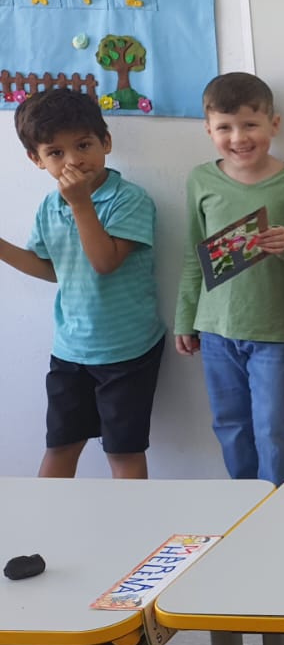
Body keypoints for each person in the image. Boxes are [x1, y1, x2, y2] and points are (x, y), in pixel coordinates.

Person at [1, 89, 163, 479]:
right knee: (60, 446)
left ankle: (134, 520)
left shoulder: (130, 200)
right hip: (70, 349)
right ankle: (44, 520)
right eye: (56, 152)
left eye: (83, 145)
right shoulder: (49, 206)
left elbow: (104, 263)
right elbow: (52, 269)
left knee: (123, 452)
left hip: (126, 351)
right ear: (36, 160)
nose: (73, 160)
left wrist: (80, 204)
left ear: (106, 142)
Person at [175, 73, 284, 486]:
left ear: (274, 123)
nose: (238, 138)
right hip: (216, 330)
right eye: (225, 127)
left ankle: (276, 501)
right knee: (229, 423)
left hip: (277, 330)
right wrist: (185, 319)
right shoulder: (201, 180)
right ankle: (243, 499)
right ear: (208, 129)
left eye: (250, 124)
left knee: (275, 426)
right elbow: (193, 253)